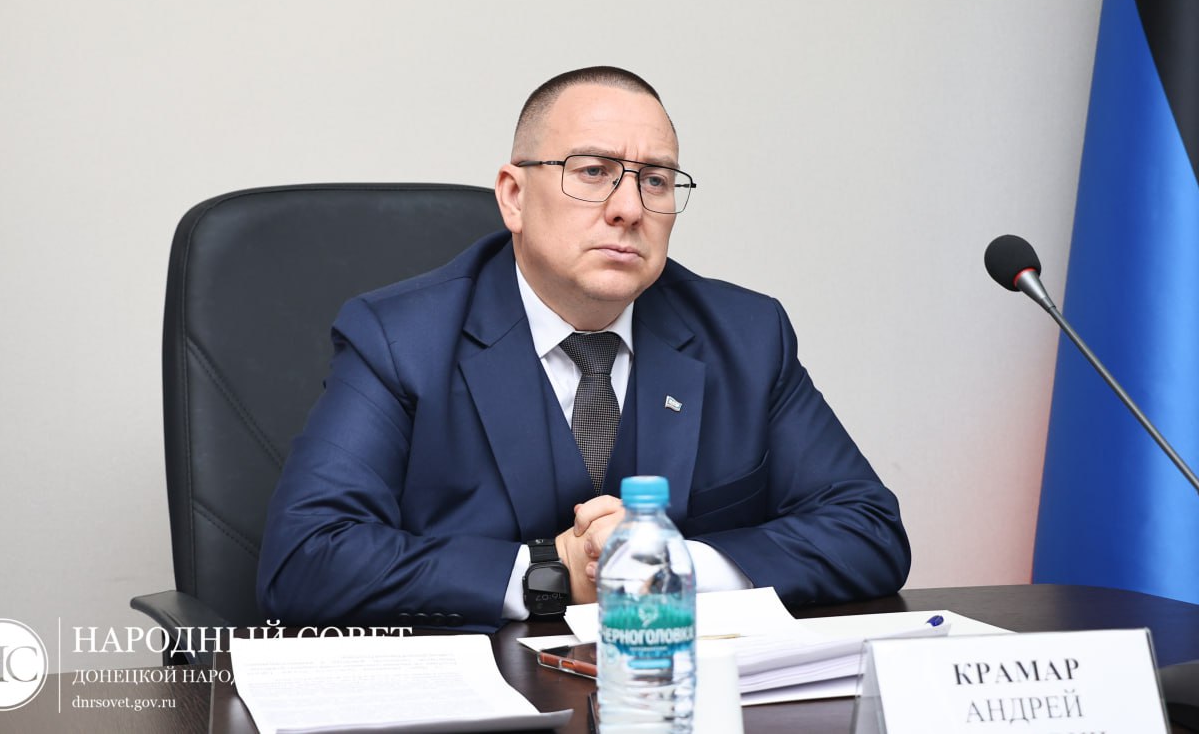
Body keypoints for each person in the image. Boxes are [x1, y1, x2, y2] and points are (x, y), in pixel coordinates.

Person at [257, 67, 911, 631]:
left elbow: (868, 529)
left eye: (656, 180)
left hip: (671, 689)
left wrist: (670, 568)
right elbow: (306, 557)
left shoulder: (746, 334)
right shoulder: (399, 338)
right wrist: (551, 572)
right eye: (593, 172)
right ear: (514, 196)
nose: (629, 207)